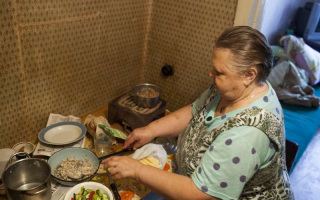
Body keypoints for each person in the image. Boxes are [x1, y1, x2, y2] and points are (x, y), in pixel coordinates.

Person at [102, 26, 294, 199]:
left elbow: (199, 194)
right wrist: (151, 130)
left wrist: (138, 170)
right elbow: (194, 111)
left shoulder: (246, 136)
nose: (211, 74)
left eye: (219, 73)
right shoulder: (235, 89)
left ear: (249, 75)